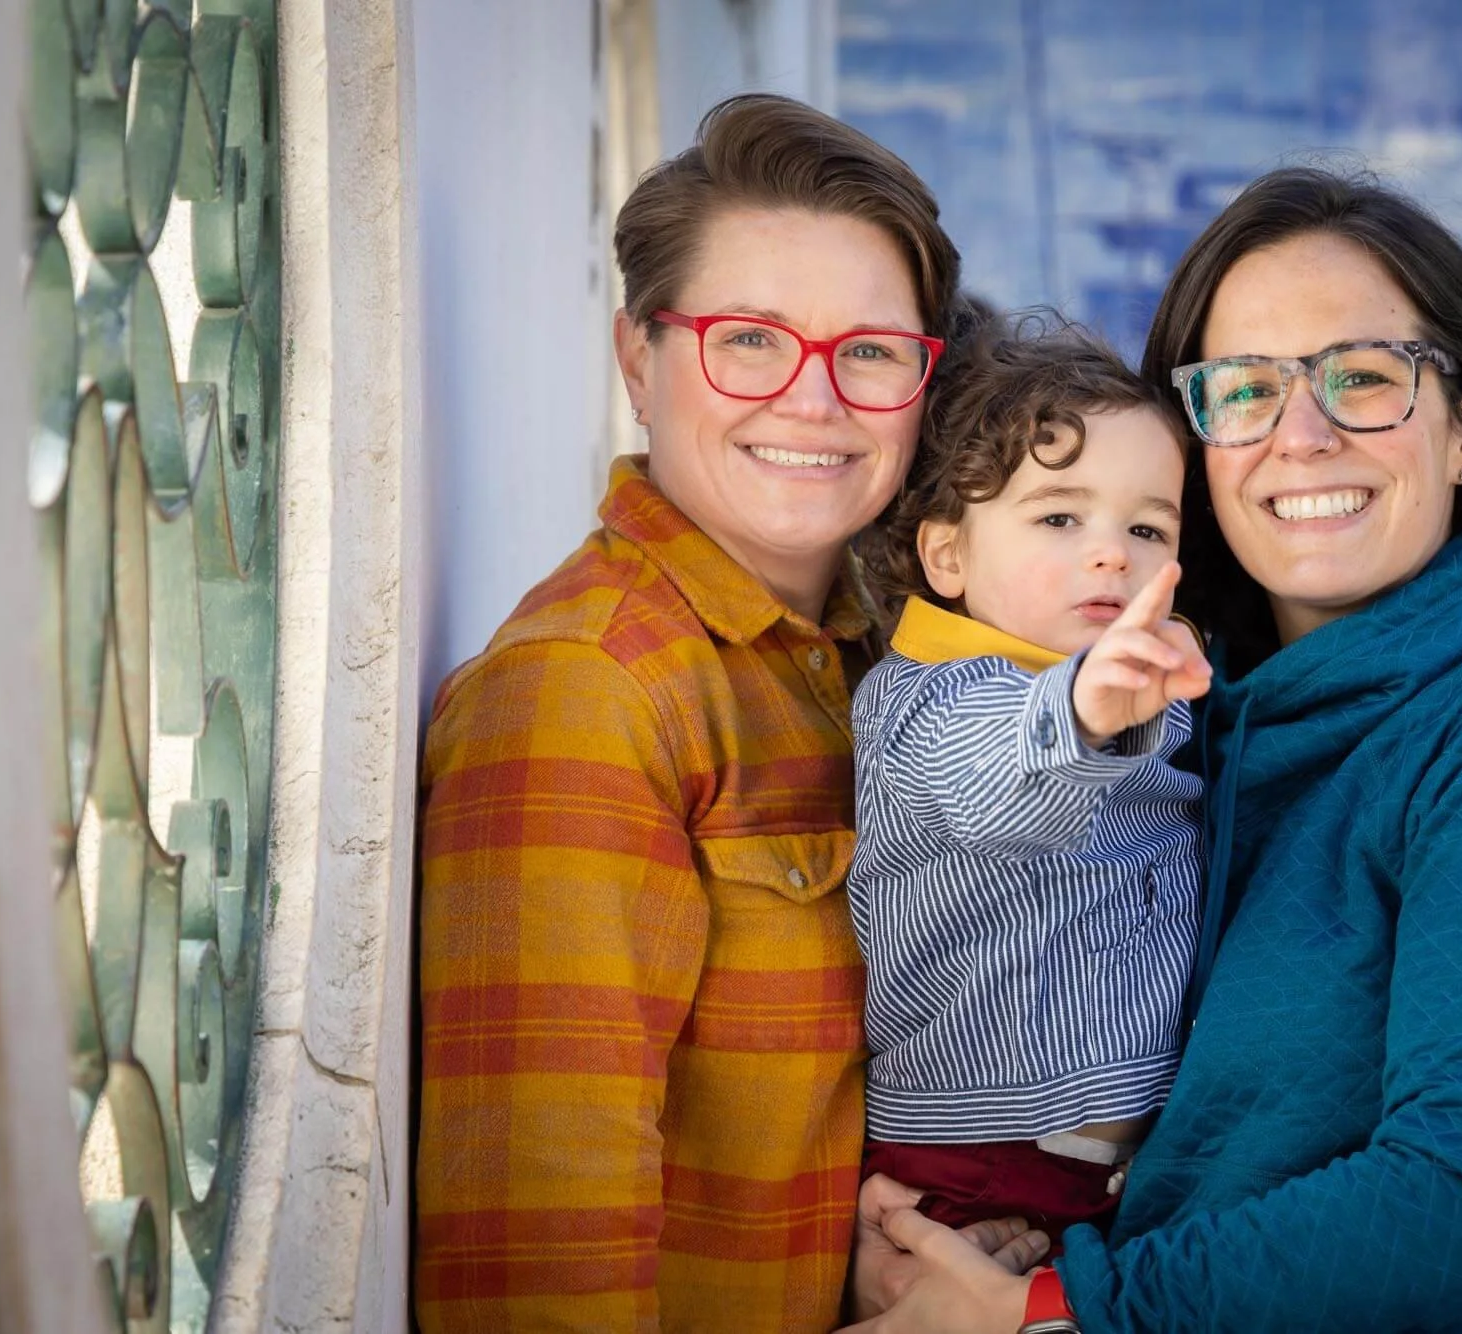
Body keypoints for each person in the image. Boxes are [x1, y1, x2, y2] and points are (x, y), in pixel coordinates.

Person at [844, 167, 1462, 1333]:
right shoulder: (1206, 717)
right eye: (1242, 389)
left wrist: (1048, 1306)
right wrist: (941, 1236)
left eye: (1360, 378)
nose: (1298, 437)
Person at [415, 94, 1040, 1333]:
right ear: (638, 361)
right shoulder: (588, 691)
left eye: (869, 350)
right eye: (748, 340)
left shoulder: (895, 661)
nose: (815, 400)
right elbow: (538, 1278)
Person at [848, 325, 1210, 1251]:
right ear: (949, 559)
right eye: (1059, 517)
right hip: (978, 1153)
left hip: (1101, 1156)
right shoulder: (933, 696)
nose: (1111, 555)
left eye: (1147, 527)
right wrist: (1085, 708)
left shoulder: (1138, 682)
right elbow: (999, 781)